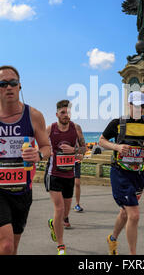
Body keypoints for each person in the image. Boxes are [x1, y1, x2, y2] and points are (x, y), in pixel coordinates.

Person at [0, 65, 51, 255]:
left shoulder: (34, 116)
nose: (8, 87)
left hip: (22, 189)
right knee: (5, 246)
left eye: (13, 83)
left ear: (20, 86)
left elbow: (47, 147)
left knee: (13, 248)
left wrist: (38, 155)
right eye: (3, 84)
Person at [99, 91, 144, 255]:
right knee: (134, 214)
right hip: (120, 174)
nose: (139, 109)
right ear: (129, 105)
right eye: (136, 105)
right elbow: (101, 140)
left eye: (142, 106)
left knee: (125, 213)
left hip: (139, 174)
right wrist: (117, 147)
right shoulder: (118, 122)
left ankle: (112, 239)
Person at [45, 99, 86, 255]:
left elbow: (83, 149)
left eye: (68, 112)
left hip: (69, 174)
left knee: (65, 213)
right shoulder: (50, 129)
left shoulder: (76, 128)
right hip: (53, 174)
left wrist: (73, 151)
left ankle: (54, 223)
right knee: (59, 208)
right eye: (62, 112)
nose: (65, 115)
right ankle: (61, 245)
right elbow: (41, 148)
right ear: (57, 114)